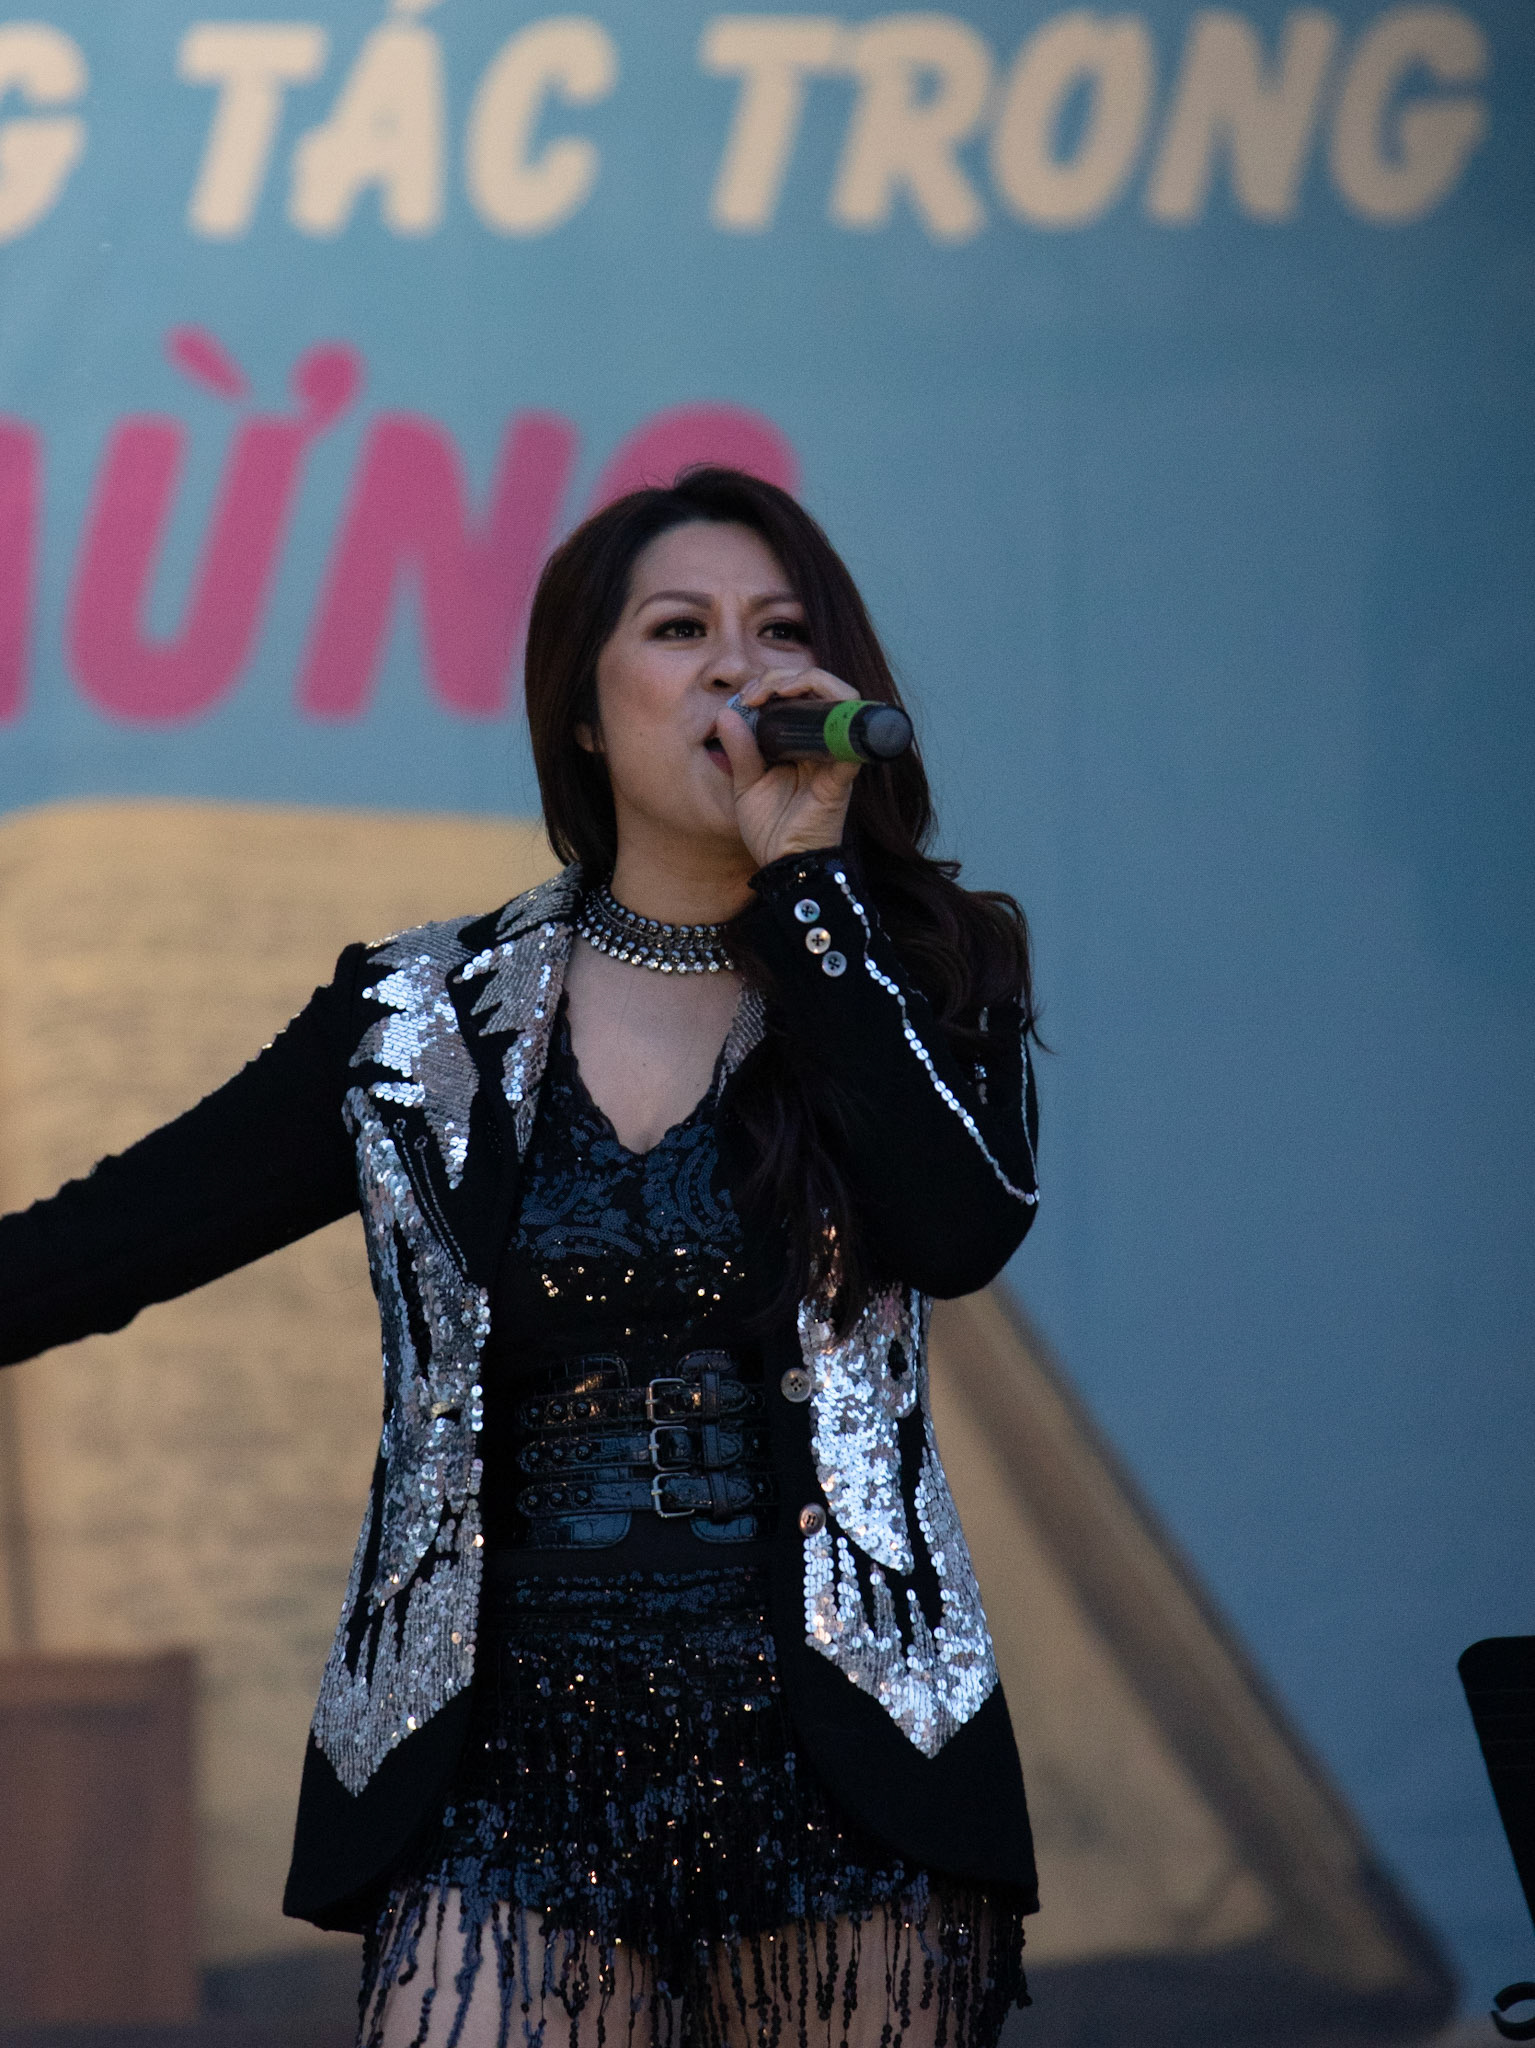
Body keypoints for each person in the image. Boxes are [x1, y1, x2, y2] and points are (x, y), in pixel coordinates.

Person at [0, 468, 1042, 2048]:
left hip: (844, 1767)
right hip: (501, 1778)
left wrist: (809, 890)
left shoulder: (917, 974)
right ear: (584, 712)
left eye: (780, 633)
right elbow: (100, 1245)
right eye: (680, 629)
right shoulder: (417, 1021)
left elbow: (962, 1231)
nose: (737, 667)